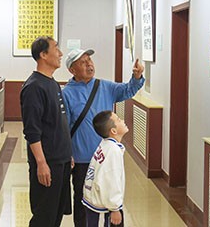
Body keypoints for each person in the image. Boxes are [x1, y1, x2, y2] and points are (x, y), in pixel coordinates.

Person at [62, 49, 144, 227]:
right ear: (72, 70)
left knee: (112, 198)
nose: (89, 64)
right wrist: (68, 153)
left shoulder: (105, 86)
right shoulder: (66, 93)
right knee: (83, 202)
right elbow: (65, 126)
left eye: (89, 60)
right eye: (82, 62)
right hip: (82, 159)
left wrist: (137, 77)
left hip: (106, 156)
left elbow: (128, 90)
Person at [20, 37, 72, 227]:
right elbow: (32, 131)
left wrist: (67, 154)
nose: (60, 53)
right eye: (56, 48)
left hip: (61, 159)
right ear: (43, 55)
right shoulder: (34, 87)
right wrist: (41, 163)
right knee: (44, 217)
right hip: (48, 162)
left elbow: (58, 122)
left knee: (56, 214)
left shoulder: (52, 83)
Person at [82, 111, 129, 227]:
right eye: (118, 120)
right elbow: (112, 181)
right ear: (113, 131)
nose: (123, 121)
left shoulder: (105, 144)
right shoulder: (113, 151)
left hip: (93, 199)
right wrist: (115, 208)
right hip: (104, 205)